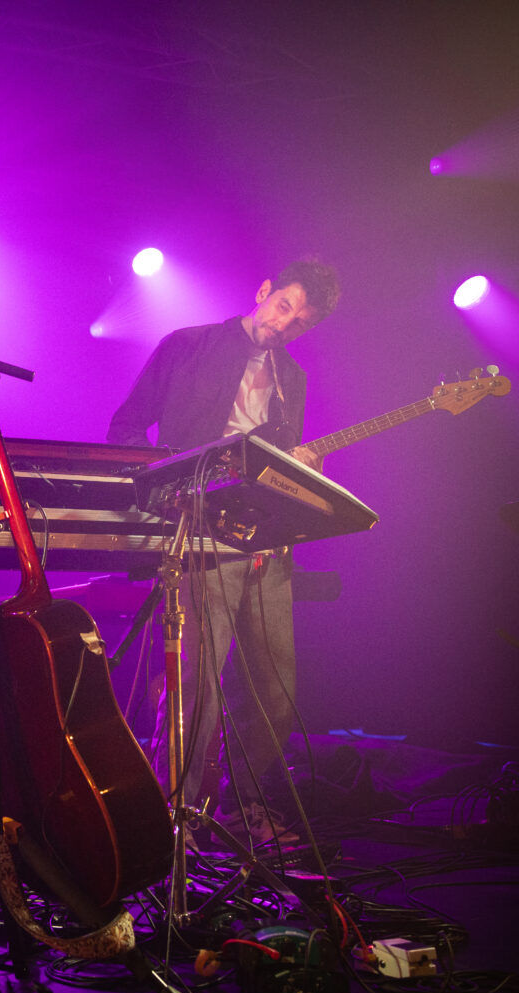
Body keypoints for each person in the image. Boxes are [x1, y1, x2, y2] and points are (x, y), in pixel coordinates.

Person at [106, 258, 341, 842]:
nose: (285, 324)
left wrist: (303, 471)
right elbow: (126, 428)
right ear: (263, 289)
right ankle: (178, 819)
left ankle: (241, 804)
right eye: (283, 306)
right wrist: (169, 491)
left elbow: (279, 468)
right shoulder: (188, 344)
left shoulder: (294, 379)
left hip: (267, 541)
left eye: (300, 322)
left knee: (276, 689)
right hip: (201, 531)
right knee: (197, 685)